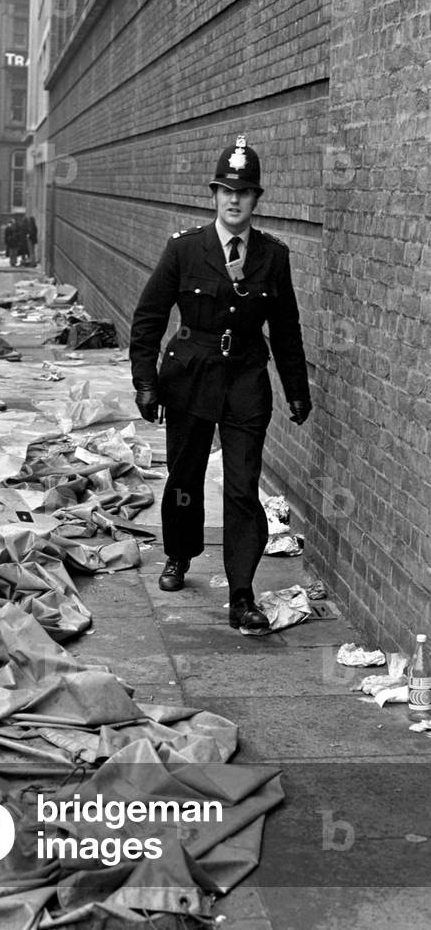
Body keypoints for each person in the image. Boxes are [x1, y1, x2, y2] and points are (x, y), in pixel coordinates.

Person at [129, 135, 311, 633]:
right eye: (226, 190)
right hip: (189, 375)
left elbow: (287, 328)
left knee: (242, 487)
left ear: (256, 200)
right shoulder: (185, 249)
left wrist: (297, 388)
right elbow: (148, 318)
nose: (235, 200)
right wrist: (145, 382)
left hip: (246, 379)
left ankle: (241, 592)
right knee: (185, 479)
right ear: (214, 195)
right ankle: (179, 556)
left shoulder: (273, 256)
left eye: (245, 192)